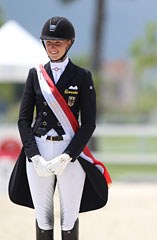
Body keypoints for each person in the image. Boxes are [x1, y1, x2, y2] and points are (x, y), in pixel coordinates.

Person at [9, 16, 111, 240]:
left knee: (69, 218)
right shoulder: (35, 75)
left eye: (58, 42)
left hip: (69, 152)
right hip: (39, 151)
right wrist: (33, 156)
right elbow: (24, 120)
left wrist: (68, 156)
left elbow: (89, 123)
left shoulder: (82, 76)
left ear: (69, 43)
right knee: (43, 217)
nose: (52, 47)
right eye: (48, 42)